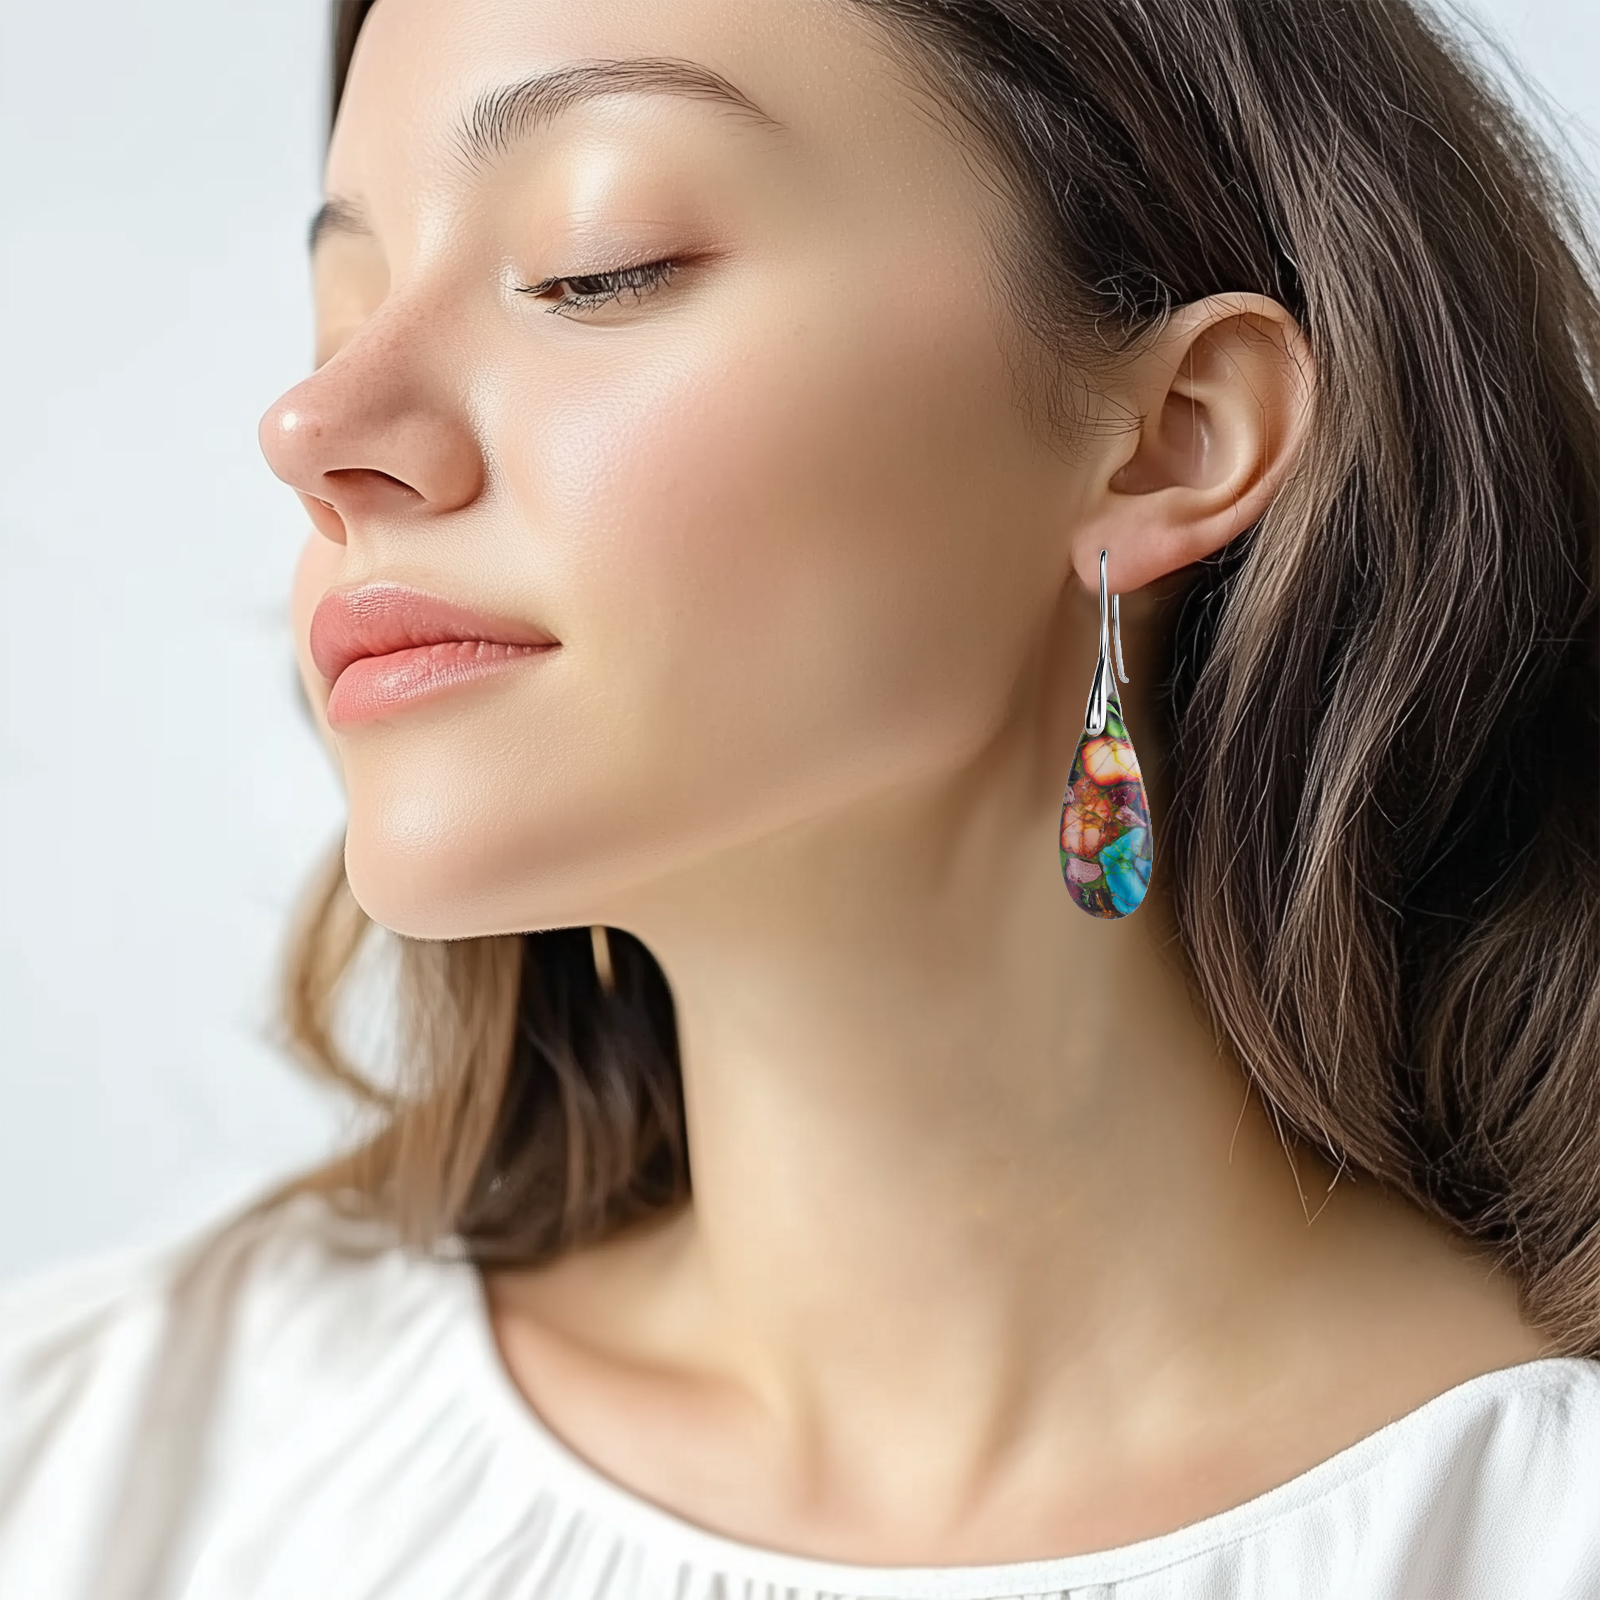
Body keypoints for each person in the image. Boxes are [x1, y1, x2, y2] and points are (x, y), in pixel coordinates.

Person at [3, 0, 1598, 1594]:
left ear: (1171, 439)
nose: (312, 432)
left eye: (595, 265)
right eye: (339, 311)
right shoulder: (92, 1463)